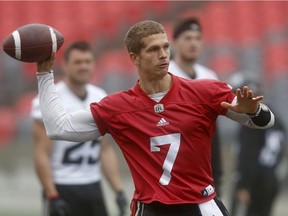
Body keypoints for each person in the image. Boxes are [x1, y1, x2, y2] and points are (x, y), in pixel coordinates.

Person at [35, 20, 274, 216]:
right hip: (151, 209)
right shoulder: (118, 107)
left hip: (201, 204)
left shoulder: (204, 91)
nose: (163, 55)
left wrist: (254, 111)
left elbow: (265, 121)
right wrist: (44, 73)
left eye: (166, 47)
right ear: (134, 57)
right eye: (153, 49)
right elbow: (58, 128)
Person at [31, 41, 127, 216]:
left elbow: (104, 149)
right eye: (78, 62)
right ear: (65, 65)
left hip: (93, 185)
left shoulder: (100, 96)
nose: (83, 67)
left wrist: (118, 190)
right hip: (62, 185)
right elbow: (41, 154)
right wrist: (52, 195)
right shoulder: (49, 99)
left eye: (88, 61)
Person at [169, 17, 222, 195]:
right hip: (174, 160)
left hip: (206, 162)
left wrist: (218, 171)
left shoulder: (209, 76)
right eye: (188, 38)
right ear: (174, 42)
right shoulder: (165, 76)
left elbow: (215, 131)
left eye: (197, 39)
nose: (193, 43)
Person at [230, 80, 286, 216]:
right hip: (271, 178)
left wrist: (244, 185)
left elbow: (248, 153)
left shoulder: (251, 121)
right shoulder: (277, 120)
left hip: (253, 181)